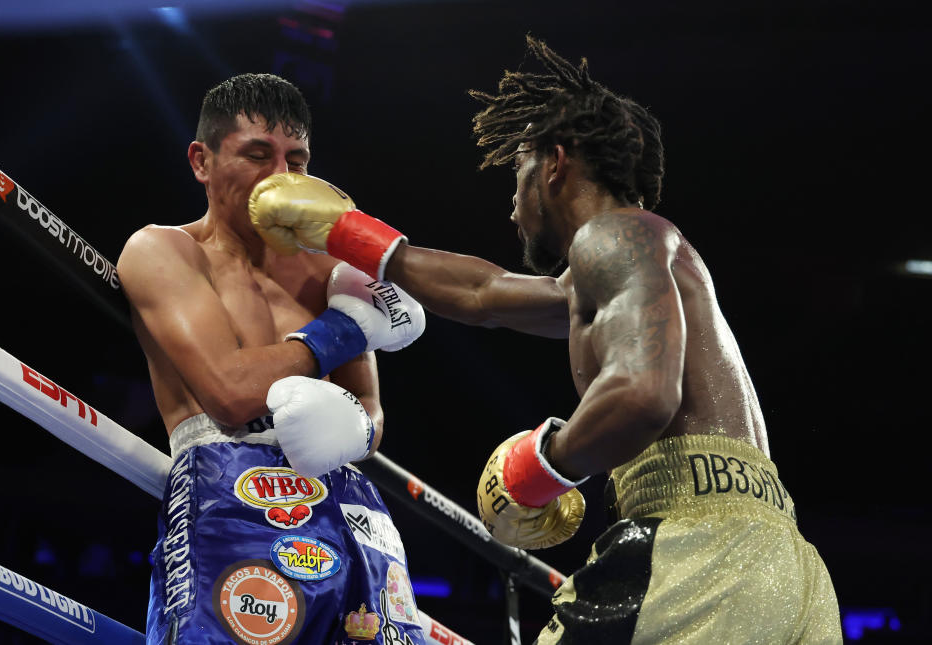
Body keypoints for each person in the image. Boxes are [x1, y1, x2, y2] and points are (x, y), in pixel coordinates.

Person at [247, 37, 842, 644]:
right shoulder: (643, 263)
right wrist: (348, 234)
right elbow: (486, 295)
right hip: (791, 573)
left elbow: (640, 395)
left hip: (697, 551)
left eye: (519, 172)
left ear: (555, 163)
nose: (512, 206)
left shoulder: (613, 236)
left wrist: (540, 469)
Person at [116, 73, 429, 644]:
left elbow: (370, 416)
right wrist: (345, 329)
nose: (280, 178)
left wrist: (353, 429)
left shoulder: (327, 267)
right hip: (229, 494)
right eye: (257, 155)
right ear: (201, 161)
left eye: (297, 161)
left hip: (350, 506)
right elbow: (231, 394)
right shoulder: (165, 251)